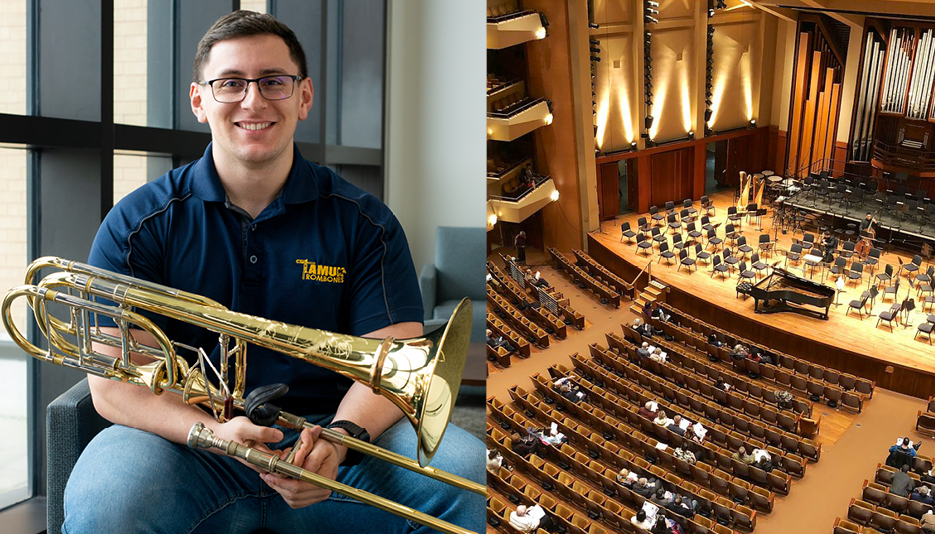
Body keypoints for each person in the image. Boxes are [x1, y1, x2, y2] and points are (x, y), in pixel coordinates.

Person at [63, 12, 484, 534]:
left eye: (273, 82)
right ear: (200, 101)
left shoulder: (365, 223)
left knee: (467, 477)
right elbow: (113, 385)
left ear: (303, 97)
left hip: (334, 442)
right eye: (230, 83)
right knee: (106, 501)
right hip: (184, 445)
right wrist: (210, 432)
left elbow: (396, 358)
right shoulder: (138, 223)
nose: (253, 100)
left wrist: (339, 440)